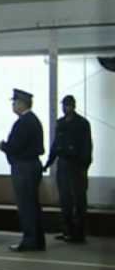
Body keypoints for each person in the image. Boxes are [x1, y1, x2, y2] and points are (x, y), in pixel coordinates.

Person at [0, 89, 45, 252]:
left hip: (24, 167)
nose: (13, 105)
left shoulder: (24, 122)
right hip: (32, 165)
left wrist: (3, 146)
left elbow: (16, 147)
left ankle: (30, 241)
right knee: (33, 204)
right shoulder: (33, 120)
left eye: (14, 102)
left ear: (22, 104)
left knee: (26, 205)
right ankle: (38, 240)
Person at [43, 95, 92, 243]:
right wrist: (48, 163)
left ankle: (79, 233)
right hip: (63, 165)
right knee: (65, 200)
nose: (66, 108)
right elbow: (56, 145)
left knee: (79, 200)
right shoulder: (61, 123)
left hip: (77, 165)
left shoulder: (82, 123)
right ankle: (67, 231)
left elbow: (87, 146)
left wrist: (84, 166)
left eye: (69, 105)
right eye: (64, 105)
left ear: (74, 106)